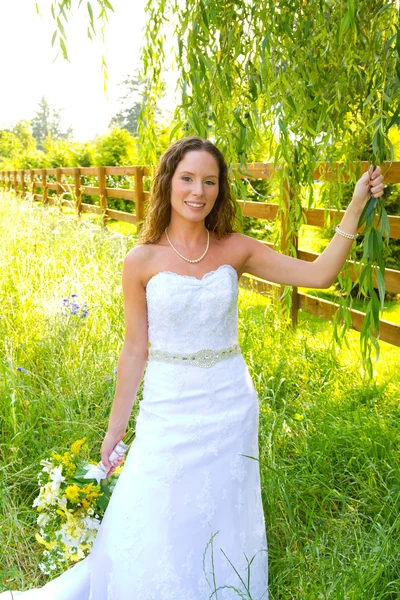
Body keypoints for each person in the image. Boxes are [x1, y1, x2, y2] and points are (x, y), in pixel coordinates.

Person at [2, 137, 384, 599]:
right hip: (169, 405)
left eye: (210, 181)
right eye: (187, 178)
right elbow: (134, 350)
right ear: (168, 182)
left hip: (231, 403)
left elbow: (319, 275)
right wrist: (113, 430)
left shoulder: (236, 248)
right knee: (152, 506)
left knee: (225, 509)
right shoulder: (140, 260)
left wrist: (356, 203)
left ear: (220, 189)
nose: (197, 191)